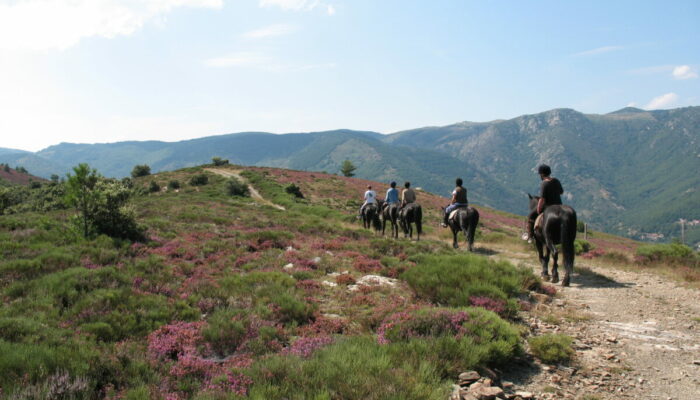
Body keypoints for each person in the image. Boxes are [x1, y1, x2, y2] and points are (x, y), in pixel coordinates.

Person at [528, 164, 563, 239]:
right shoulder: (556, 180)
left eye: (540, 174)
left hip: (549, 206)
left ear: (542, 174)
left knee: (531, 215)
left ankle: (530, 236)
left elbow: (542, 199)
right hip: (559, 206)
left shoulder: (544, 183)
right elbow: (561, 192)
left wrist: (538, 208)